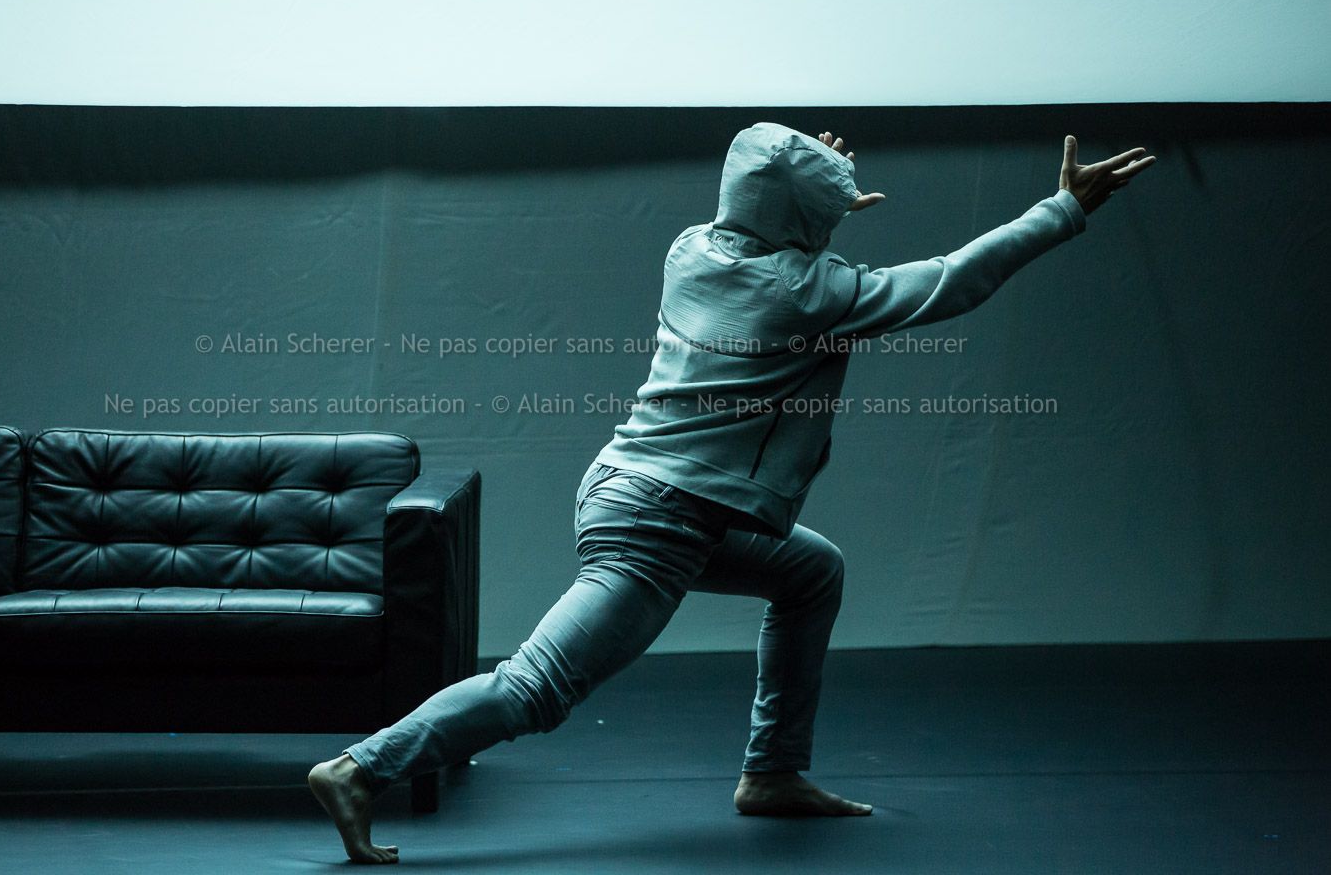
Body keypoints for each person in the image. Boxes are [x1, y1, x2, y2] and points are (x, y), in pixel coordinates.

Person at [308, 123, 1157, 864]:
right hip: (657, 525)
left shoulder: (691, 250)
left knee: (810, 572)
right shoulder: (811, 292)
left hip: (629, 491)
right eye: (823, 209)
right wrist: (1063, 209)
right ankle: (358, 770)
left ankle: (773, 773)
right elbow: (952, 280)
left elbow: (769, 234)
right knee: (537, 689)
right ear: (801, 222)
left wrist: (810, 199)